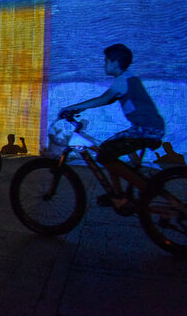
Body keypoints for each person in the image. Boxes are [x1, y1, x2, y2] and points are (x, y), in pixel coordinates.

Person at [58, 44, 164, 208]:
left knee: (104, 155)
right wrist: (80, 107)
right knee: (106, 150)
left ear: (115, 63)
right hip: (148, 128)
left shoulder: (123, 80)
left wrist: (71, 108)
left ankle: (144, 189)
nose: (104, 64)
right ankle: (118, 195)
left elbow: (104, 99)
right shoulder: (128, 78)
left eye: (106, 60)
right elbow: (107, 99)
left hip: (146, 129)